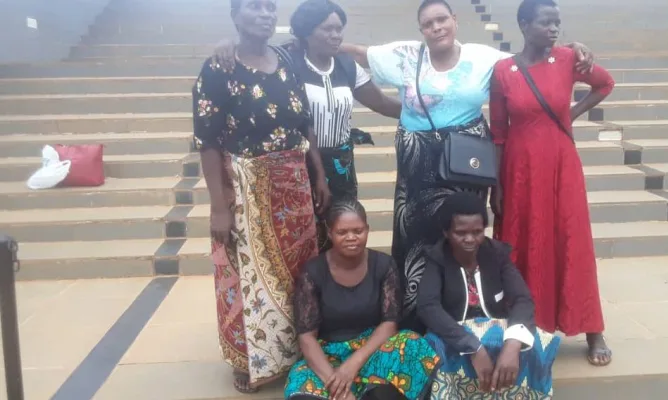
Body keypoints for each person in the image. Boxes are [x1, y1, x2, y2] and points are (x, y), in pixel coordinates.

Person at [338, 0, 594, 332]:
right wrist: (312, 41)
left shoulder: (484, 57)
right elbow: (358, 52)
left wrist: (571, 49)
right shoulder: (404, 55)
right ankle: (415, 318)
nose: (436, 27)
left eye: (442, 19)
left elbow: (531, 58)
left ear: (455, 21)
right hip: (418, 165)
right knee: (415, 239)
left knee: (463, 236)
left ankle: (467, 309)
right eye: (428, 23)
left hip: (466, 164)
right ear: (421, 30)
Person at [193, 0, 332, 393]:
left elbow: (305, 124)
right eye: (254, 6)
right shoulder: (219, 67)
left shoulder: (287, 59)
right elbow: (206, 141)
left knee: (298, 272)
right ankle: (248, 358)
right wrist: (220, 206)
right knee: (244, 273)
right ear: (235, 15)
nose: (266, 14)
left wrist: (318, 174)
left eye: (271, 7)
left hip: (294, 184)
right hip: (246, 186)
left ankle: (292, 349)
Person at [213, 0, 402, 253]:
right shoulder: (285, 62)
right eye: (328, 29)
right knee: (302, 236)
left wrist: (425, 111)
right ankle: (308, 290)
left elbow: (382, 103)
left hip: (341, 165)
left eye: (339, 28)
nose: (336, 35)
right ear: (306, 31)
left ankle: (339, 289)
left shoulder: (346, 65)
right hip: (297, 165)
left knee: (341, 232)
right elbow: (252, 55)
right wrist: (227, 45)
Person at [489, 0, 615, 366]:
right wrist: (496, 183)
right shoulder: (503, 70)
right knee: (521, 241)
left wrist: (570, 113)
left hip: (561, 164)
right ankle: (525, 323)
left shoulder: (568, 59)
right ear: (525, 25)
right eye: (546, 22)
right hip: (519, 168)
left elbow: (605, 83)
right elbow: (498, 132)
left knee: (571, 239)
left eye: (557, 22)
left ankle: (592, 329)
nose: (554, 29)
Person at [286, 200, 439, 400]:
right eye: (342, 232)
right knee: (301, 390)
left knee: (411, 343)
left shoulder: (384, 265)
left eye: (358, 231)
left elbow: (389, 324)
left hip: (371, 351)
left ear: (368, 230)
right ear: (330, 233)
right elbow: (307, 337)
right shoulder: (313, 271)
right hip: (328, 355)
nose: (351, 238)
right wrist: (336, 384)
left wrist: (352, 366)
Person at [418, 192, 560, 399]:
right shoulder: (437, 258)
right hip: (453, 332)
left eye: (477, 232)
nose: (470, 239)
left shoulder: (497, 255)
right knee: (436, 351)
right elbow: (428, 307)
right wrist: (472, 346)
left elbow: (522, 299)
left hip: (496, 328)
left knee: (531, 346)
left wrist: (513, 343)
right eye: (461, 232)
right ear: (446, 232)